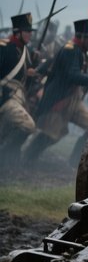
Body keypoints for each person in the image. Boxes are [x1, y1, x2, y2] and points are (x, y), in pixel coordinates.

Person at [22, 9, 88, 164]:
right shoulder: (71, 50)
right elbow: (73, 75)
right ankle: (28, 158)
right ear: (81, 36)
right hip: (60, 99)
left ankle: (75, 162)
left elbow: (75, 71)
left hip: (73, 99)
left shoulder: (78, 51)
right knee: (52, 135)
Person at [0, 13, 38, 170]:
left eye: (30, 31)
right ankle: (5, 156)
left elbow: (24, 83)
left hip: (18, 98)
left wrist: (31, 74)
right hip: (5, 98)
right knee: (28, 126)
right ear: (17, 32)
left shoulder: (26, 52)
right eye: (27, 31)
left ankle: (6, 161)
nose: (30, 34)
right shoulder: (4, 48)